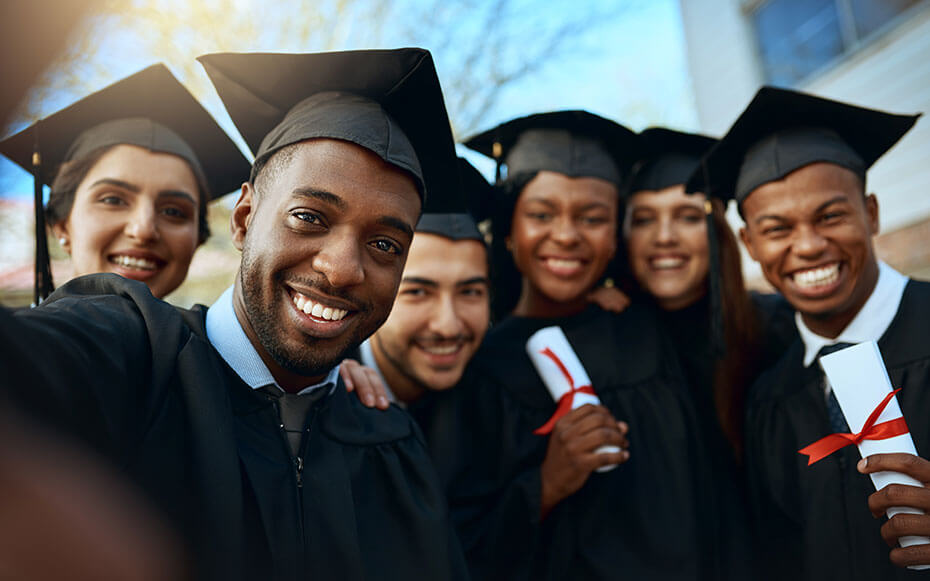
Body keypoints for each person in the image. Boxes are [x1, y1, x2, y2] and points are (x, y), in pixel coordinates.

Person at [0, 48, 467, 581]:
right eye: (309, 217)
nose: (341, 270)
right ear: (244, 220)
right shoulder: (129, 351)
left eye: (385, 244)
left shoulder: (392, 440)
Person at [438, 110, 722, 580]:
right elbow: (459, 543)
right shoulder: (477, 368)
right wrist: (545, 485)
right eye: (541, 214)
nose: (567, 235)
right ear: (510, 231)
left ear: (615, 237)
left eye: (593, 218)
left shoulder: (651, 329)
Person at [687, 86, 928, 579]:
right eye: (777, 229)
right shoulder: (769, 399)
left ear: (872, 213)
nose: (809, 246)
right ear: (749, 243)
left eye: (831, 216)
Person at [0, 64, 251, 302]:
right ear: (61, 225)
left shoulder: (216, 348)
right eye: (112, 200)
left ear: (198, 238)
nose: (143, 230)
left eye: (173, 211)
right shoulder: (16, 344)